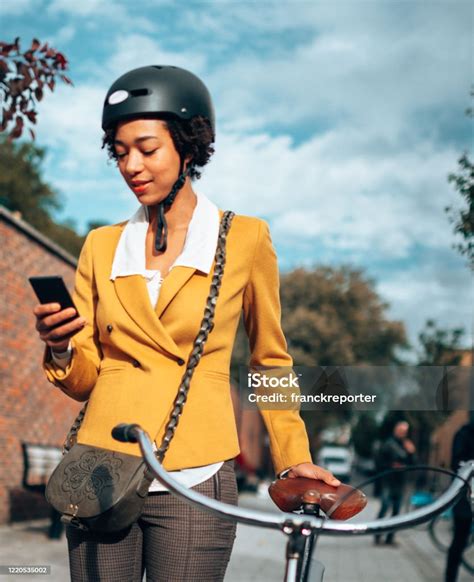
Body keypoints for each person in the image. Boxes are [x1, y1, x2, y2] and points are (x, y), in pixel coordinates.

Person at [32, 65, 340, 582]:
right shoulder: (101, 245)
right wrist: (62, 348)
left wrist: (293, 458)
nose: (131, 165)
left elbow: (270, 360)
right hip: (102, 468)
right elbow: (87, 378)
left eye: (147, 149)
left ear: (189, 146)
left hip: (195, 473)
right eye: (120, 151)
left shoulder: (244, 238)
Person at [374, 420, 416, 546]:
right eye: (401, 430)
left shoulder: (406, 445)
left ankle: (389, 538)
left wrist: (411, 452)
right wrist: (392, 466)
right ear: (395, 430)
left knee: (396, 511)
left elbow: (413, 463)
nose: (403, 433)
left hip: (400, 482)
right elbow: (379, 463)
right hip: (388, 481)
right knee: (385, 507)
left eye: (405, 431)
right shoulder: (388, 444)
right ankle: (377, 536)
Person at [444, 417, 474, 582]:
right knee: (459, 540)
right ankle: (450, 578)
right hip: (465, 496)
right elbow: (457, 464)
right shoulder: (464, 433)